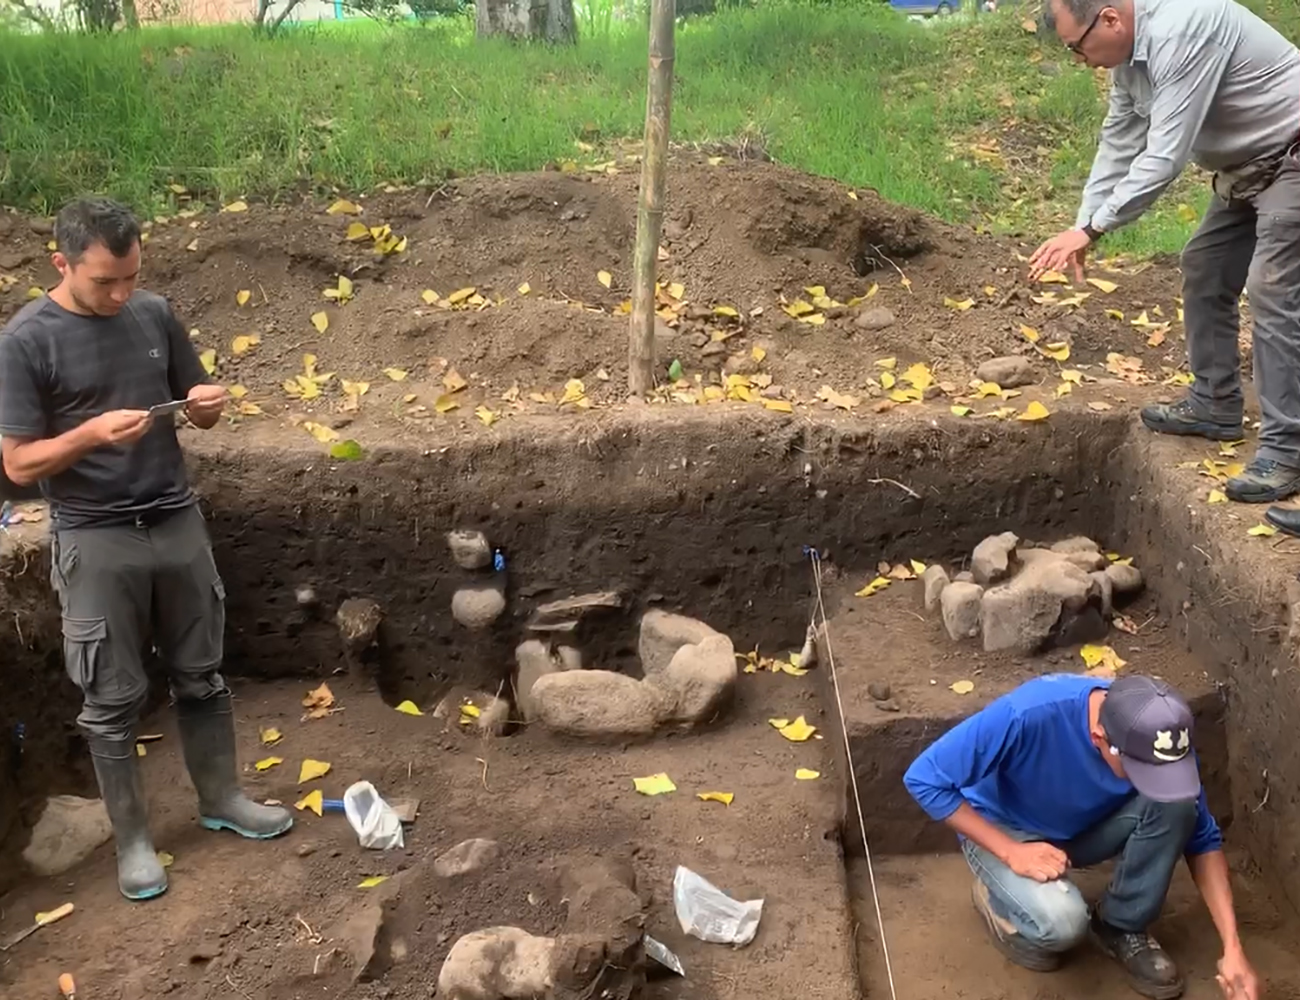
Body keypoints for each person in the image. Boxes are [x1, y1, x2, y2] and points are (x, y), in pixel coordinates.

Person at [0, 197, 292, 902]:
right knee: (109, 698)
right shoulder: (26, 341)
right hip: (95, 537)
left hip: (175, 520)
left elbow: (192, 396)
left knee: (203, 674)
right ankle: (133, 842)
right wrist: (91, 436)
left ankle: (222, 798)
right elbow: (16, 465)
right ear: (62, 263)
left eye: (131, 275)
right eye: (105, 280)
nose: (121, 293)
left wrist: (205, 404)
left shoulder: (153, 314)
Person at [1030, 0, 1300, 504]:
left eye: (1078, 47)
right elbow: (1120, 140)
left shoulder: (1184, 28)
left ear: (1109, 19)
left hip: (1291, 156)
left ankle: (1287, 452)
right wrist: (1084, 224)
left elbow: (1165, 155)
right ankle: (1216, 403)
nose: (1081, 61)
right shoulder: (1130, 61)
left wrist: (1093, 228)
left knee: (1273, 288)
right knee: (1204, 266)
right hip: (1246, 172)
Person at [903, 673, 1257, 1000]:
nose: (1152, 779)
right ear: (1100, 738)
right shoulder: (1028, 714)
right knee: (1062, 925)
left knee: (1179, 805)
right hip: (1006, 830)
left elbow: (1203, 840)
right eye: (1140, 771)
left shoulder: (1162, 739)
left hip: (1080, 830)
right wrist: (1011, 852)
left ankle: (1120, 924)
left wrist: (1233, 947)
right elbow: (923, 777)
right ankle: (996, 896)